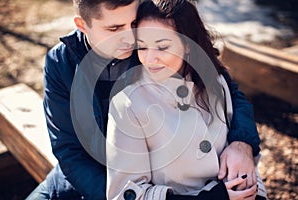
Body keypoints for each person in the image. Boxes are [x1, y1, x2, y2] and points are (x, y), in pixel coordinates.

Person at [26, 0, 261, 199]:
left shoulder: (152, 40)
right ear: (82, 25)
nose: (130, 37)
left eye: (133, 24)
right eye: (115, 28)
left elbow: (225, 87)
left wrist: (243, 142)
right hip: (88, 180)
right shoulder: (61, 64)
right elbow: (69, 151)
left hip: (156, 181)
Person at [106, 0, 267, 199]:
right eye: (142, 47)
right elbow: (124, 195)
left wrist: (249, 178)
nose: (149, 59)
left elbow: (242, 160)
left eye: (162, 47)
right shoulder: (127, 104)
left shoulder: (216, 79)